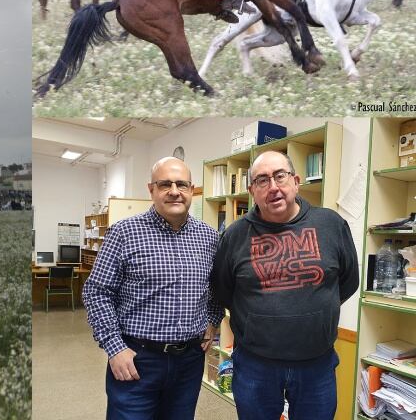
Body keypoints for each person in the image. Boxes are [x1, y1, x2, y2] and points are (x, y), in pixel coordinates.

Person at [210, 150, 358, 420]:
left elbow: (348, 281)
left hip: (317, 364)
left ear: (296, 181)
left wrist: (314, 311)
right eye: (262, 180)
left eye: (280, 176)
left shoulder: (331, 224)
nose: (274, 187)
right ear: (251, 189)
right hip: (256, 365)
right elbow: (224, 290)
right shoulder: (235, 235)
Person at [82, 157, 222, 419]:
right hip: (137, 359)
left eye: (181, 184)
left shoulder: (209, 236)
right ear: (151, 190)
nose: (174, 191)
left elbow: (216, 285)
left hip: (189, 360)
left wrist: (213, 319)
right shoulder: (124, 232)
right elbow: (97, 291)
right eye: (164, 184)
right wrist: (114, 347)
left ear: (191, 189)